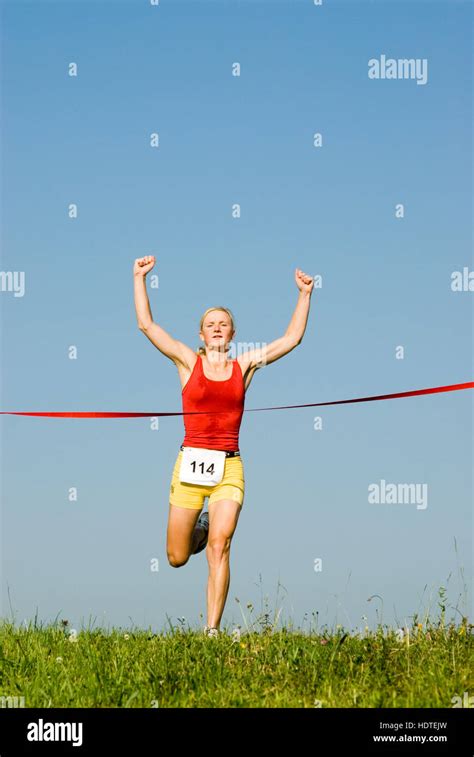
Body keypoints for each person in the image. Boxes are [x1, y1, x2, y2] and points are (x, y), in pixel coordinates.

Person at [133, 256, 314, 637]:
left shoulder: (244, 366)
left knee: (221, 545)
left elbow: (291, 340)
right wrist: (139, 278)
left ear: (232, 335)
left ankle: (211, 630)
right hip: (190, 466)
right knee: (177, 556)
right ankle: (199, 528)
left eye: (224, 324)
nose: (217, 329)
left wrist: (304, 294)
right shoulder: (186, 362)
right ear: (201, 335)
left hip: (229, 467)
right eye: (210, 325)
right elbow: (146, 325)